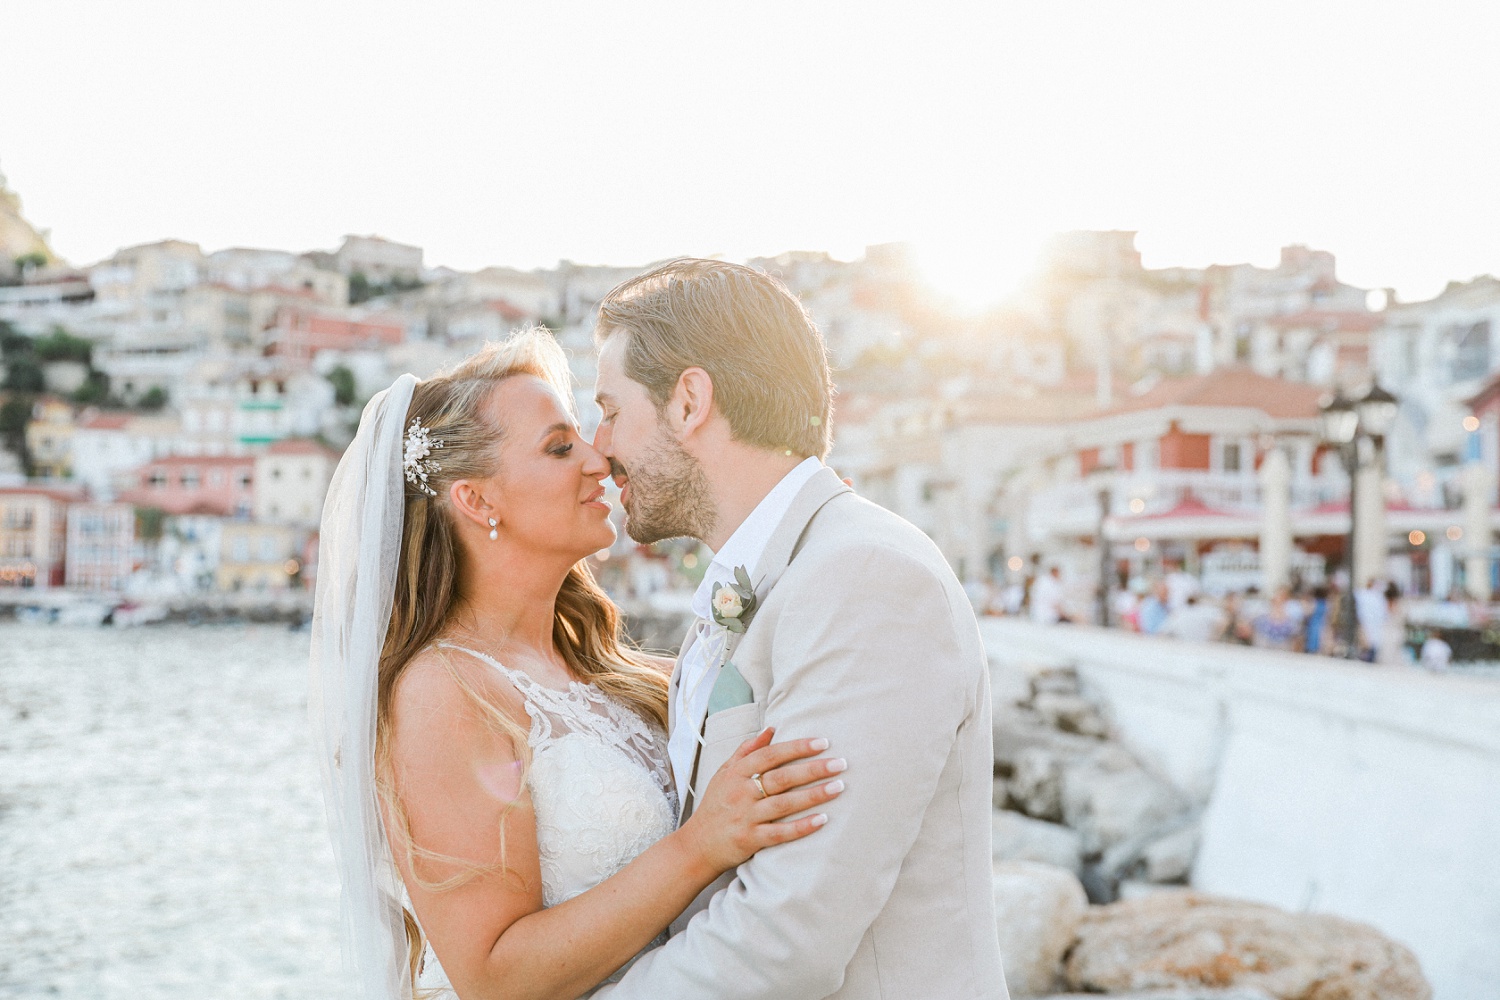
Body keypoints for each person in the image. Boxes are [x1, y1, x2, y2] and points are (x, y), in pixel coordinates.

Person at [309, 329, 845, 1000]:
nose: (600, 459)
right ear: (477, 500)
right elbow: (493, 975)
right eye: (560, 447)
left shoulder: (605, 674)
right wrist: (700, 846)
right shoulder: (443, 692)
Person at [589, 259, 1007, 998]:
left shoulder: (866, 578)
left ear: (689, 401)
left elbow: (787, 937)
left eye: (612, 410)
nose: (599, 446)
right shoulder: (772, 577)